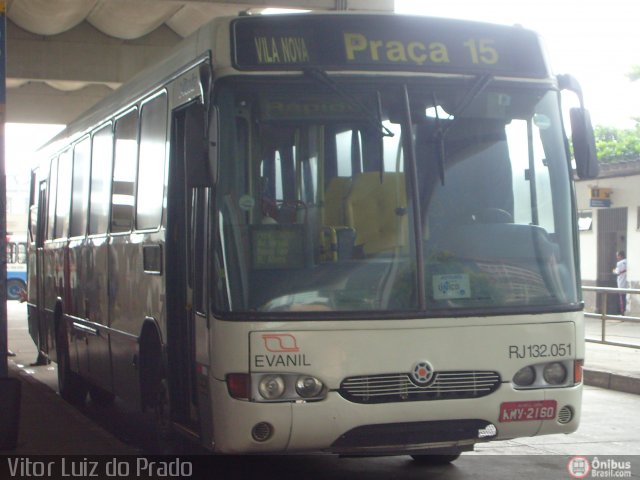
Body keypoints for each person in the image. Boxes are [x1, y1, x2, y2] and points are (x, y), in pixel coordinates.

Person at [613, 250, 628, 314]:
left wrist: (613, 270)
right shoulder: (627, 261)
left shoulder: (619, 263)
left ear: (620, 256)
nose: (617, 257)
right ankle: (624, 311)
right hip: (626, 282)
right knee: (625, 297)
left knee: (621, 298)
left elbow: (617, 272)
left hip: (621, 282)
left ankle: (622, 312)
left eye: (618, 255)